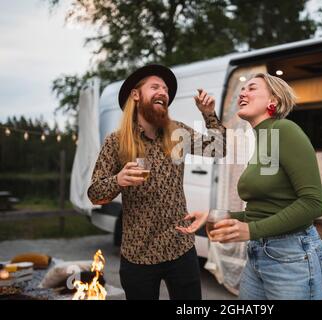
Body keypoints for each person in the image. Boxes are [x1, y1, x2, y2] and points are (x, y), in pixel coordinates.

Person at [177, 73, 322, 300]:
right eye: (243, 89)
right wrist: (220, 215)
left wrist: (250, 230)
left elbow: (314, 203)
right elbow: (263, 209)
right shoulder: (264, 139)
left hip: (292, 256)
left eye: (252, 88)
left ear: (274, 101)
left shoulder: (285, 130)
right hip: (258, 254)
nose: (243, 93)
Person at [87, 64, 226, 300]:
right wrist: (118, 180)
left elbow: (219, 148)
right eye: (155, 87)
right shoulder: (117, 141)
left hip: (180, 247)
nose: (163, 91)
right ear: (136, 95)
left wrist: (208, 114)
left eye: (165, 89)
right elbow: (94, 193)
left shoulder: (177, 133)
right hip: (138, 255)